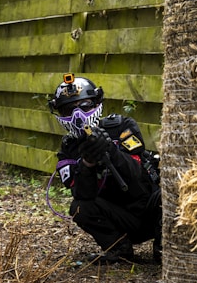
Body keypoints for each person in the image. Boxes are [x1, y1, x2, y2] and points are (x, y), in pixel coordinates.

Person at [48, 73, 162, 264]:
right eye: (69, 109)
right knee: (79, 208)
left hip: (151, 211)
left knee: (167, 194)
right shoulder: (69, 149)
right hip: (119, 220)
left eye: (84, 106)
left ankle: (165, 247)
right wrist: (88, 163)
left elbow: (136, 173)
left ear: (96, 103)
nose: (77, 114)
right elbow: (82, 196)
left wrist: (109, 149)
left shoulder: (122, 127)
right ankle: (119, 249)